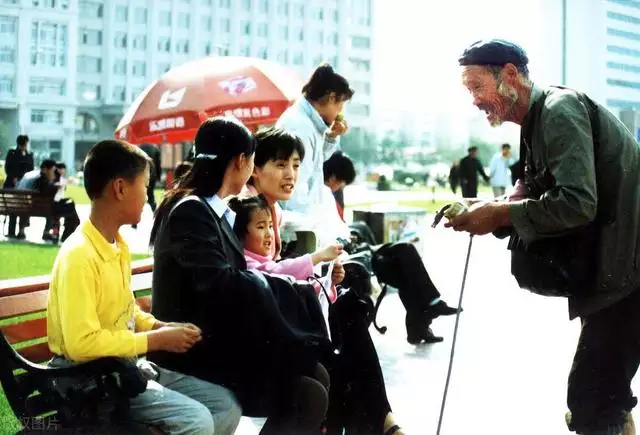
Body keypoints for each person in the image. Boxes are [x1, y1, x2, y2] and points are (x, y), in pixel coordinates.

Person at [449, 39, 640, 435]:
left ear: (510, 76)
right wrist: (485, 211)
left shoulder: (558, 111)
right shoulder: (535, 123)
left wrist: (499, 212)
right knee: (605, 396)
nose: (474, 100)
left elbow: (576, 202)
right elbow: (538, 195)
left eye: (476, 87)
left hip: (629, 274)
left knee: (592, 399)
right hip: (617, 272)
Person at [148, 117, 331, 435]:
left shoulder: (211, 211)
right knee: (306, 392)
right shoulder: (192, 211)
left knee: (315, 373)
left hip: (216, 344)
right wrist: (287, 288)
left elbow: (233, 280)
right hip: (191, 353)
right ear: (241, 161)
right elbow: (223, 285)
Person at [46, 139, 241, 434]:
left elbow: (125, 313)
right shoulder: (79, 255)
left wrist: (158, 326)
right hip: (88, 379)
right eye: (146, 185)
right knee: (196, 420)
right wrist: (156, 341)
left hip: (123, 368)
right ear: (120, 188)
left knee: (225, 405)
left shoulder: (116, 245)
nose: (149, 194)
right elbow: (81, 343)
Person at [245, 130, 405, 434]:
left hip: (281, 316)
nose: (291, 174)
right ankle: (382, 420)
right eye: (280, 165)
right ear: (254, 169)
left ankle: (377, 420)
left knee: (349, 315)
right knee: (347, 325)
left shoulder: (272, 211)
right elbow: (261, 273)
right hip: (265, 330)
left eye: (295, 165)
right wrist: (316, 263)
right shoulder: (247, 211)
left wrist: (326, 275)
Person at [276, 63, 351, 214]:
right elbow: (295, 188)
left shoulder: (309, 123)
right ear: (331, 98)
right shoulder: (299, 125)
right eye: (340, 107)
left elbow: (315, 161)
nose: (339, 114)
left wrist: (331, 137)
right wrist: (307, 228)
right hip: (297, 224)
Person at [17, 159, 80, 242]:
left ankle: (63, 233)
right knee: (71, 208)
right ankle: (65, 235)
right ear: (45, 169)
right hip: (48, 208)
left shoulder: (37, 178)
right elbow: (47, 193)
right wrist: (56, 186)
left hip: (39, 206)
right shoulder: (41, 180)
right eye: (52, 170)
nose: (53, 173)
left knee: (70, 206)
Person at [4, 134, 34, 239]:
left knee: (20, 208)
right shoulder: (13, 153)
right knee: (14, 207)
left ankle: (19, 231)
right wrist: (14, 177)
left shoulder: (28, 155)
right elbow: (8, 168)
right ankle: (13, 231)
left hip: (24, 185)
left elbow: (30, 170)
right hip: (13, 185)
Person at [323, 150, 356, 222]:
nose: (341, 187)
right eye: (341, 183)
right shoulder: (324, 200)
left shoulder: (331, 197)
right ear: (333, 178)